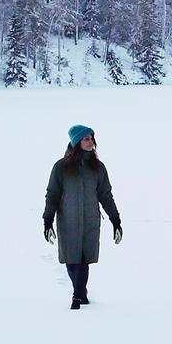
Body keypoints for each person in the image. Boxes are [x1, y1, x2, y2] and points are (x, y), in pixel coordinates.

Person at [43, 124, 122, 310]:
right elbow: (52, 195)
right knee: (72, 260)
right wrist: (47, 221)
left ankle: (77, 298)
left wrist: (115, 220)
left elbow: (106, 196)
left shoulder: (98, 168)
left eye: (92, 138)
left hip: (90, 222)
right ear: (76, 142)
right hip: (68, 222)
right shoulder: (61, 168)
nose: (90, 142)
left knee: (84, 260)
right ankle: (80, 290)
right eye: (86, 138)